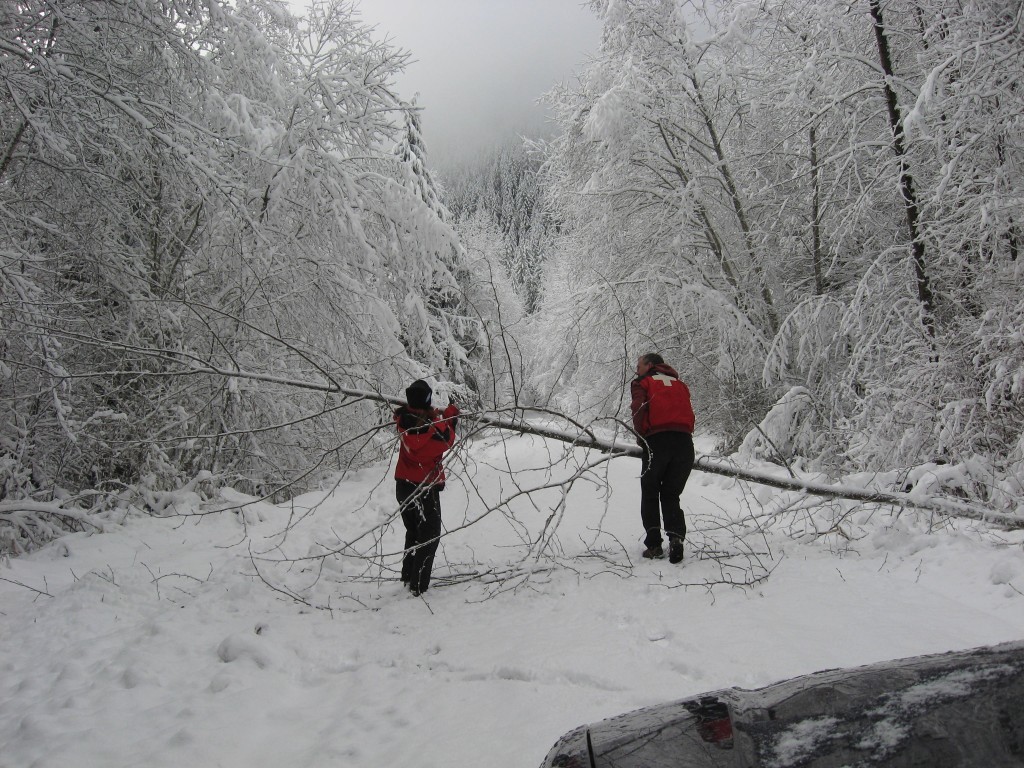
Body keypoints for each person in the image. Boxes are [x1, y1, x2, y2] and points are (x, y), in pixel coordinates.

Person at [393, 379, 459, 596]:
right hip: (424, 489)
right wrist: (450, 414)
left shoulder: (403, 420)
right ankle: (418, 584)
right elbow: (448, 439)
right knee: (429, 535)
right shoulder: (433, 431)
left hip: (403, 486)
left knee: (413, 531)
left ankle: (408, 575)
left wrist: (434, 415)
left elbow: (430, 424)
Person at [629, 353, 695, 564]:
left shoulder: (643, 382)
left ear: (650, 365)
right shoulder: (679, 384)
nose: (636, 370)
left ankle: (654, 545)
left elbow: (638, 409)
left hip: (657, 441)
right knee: (670, 494)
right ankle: (676, 538)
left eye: (639, 365)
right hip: (684, 443)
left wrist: (642, 439)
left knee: (650, 492)